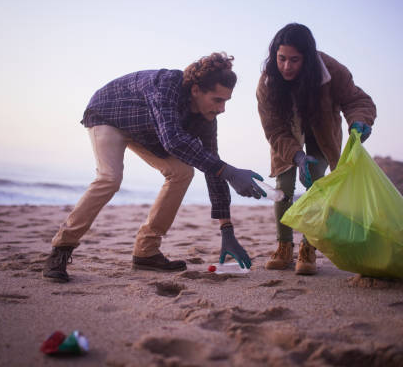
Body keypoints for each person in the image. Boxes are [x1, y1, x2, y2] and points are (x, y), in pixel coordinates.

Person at [43, 52, 266, 282]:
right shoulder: (167, 85)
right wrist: (229, 171)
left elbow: (213, 165)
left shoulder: (205, 117)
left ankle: (146, 251)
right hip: (107, 115)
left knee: (182, 172)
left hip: (145, 132)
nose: (222, 109)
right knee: (110, 178)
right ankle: (61, 248)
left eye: (226, 101)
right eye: (217, 100)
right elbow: (172, 140)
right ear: (196, 90)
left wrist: (226, 230)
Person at [256, 23, 377, 275]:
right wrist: (297, 156)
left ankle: (308, 248)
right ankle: (283, 246)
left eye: (295, 60)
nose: (287, 66)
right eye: (281, 59)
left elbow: (357, 100)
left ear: (307, 58)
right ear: (274, 55)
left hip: (321, 132)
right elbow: (274, 131)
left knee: (317, 185)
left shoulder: (331, 70)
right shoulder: (267, 82)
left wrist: (360, 121)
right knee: (284, 186)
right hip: (287, 136)